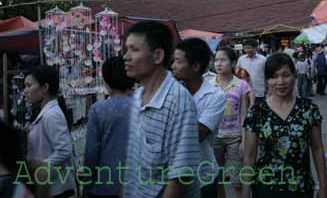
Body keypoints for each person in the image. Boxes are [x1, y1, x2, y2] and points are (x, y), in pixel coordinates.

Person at [123, 21, 200, 198]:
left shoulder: (178, 101)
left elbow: (180, 176)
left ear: (157, 56)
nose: (126, 57)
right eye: (127, 49)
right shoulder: (137, 96)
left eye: (134, 50)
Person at [241, 53, 327, 198]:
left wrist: (323, 186)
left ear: (295, 75)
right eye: (274, 76)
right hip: (265, 189)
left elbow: (318, 150)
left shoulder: (308, 110)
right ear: (267, 80)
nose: (280, 82)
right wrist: (245, 192)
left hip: (300, 188)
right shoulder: (256, 112)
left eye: (286, 75)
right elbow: (249, 156)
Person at [172, 38, 227, 198]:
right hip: (170, 176)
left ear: (195, 66)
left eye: (178, 61)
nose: (172, 66)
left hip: (202, 175)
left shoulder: (215, 96)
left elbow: (196, 135)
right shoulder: (171, 91)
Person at [83, 56, 135, 198]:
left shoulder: (98, 109)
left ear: (106, 81)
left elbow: (91, 152)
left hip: (106, 183)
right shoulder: (143, 105)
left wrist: (87, 184)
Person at [23, 65, 76, 198]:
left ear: (45, 88)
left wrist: (41, 165)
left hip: (58, 189)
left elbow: (64, 150)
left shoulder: (52, 115)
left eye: (29, 86)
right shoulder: (46, 113)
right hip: (50, 187)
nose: (25, 91)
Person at [210, 47, 251, 198]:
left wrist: (244, 141)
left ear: (233, 63)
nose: (218, 64)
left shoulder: (242, 85)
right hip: (214, 138)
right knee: (218, 179)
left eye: (223, 60)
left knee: (236, 181)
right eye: (216, 60)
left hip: (235, 137)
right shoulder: (209, 84)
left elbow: (244, 114)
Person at [236, 39, 266, 104]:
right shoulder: (241, 59)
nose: (247, 50)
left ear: (255, 48)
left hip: (259, 92)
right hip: (244, 92)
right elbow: (238, 73)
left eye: (249, 48)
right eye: (245, 48)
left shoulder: (263, 59)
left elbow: (267, 74)